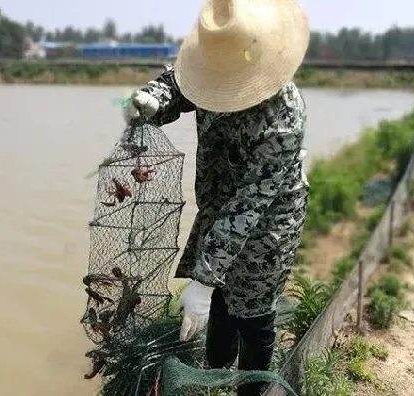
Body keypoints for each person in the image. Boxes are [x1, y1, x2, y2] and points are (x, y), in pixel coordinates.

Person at [122, 0, 310, 394]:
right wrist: (152, 99)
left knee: (254, 316)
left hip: (267, 225)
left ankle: (250, 388)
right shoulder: (212, 67)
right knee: (222, 306)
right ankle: (214, 376)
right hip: (217, 206)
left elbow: (248, 207)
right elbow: (179, 83)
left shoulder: (283, 118)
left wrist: (203, 280)